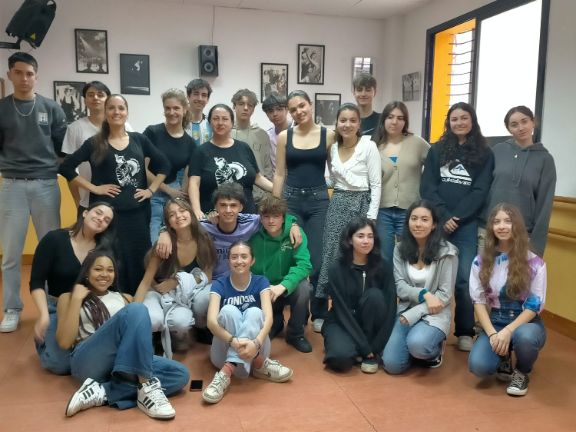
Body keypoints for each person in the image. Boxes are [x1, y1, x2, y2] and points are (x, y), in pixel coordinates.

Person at [56, 250, 189, 419]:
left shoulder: (124, 298)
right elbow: (64, 342)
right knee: (136, 309)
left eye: (110, 270)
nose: (104, 274)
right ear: (87, 273)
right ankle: (145, 385)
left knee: (179, 375)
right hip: (87, 361)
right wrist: (76, 300)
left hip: (121, 363)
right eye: (98, 269)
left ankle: (103, 391)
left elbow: (144, 285)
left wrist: (154, 264)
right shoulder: (67, 298)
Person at [59, 94, 171, 295]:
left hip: (137, 214)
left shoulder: (139, 139)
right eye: (111, 108)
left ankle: (138, 300)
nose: (116, 112)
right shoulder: (94, 142)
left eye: (121, 108)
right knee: (110, 259)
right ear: (105, 112)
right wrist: (94, 188)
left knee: (139, 257)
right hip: (107, 217)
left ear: (127, 112)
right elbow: (66, 167)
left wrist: (151, 190)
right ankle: (110, 300)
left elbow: (164, 165)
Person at [0, 52, 67, 333]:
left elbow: (62, 148)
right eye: (18, 73)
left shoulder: (51, 108)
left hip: (45, 185)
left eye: (29, 73)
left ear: (36, 76)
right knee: (12, 253)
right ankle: (12, 308)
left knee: (51, 248)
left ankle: (52, 305)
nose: (24, 78)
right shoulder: (2, 108)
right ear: (10, 75)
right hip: (12, 184)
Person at [420, 102, 494, 352]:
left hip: (466, 226)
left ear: (472, 121)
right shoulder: (437, 150)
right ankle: (429, 325)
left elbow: (480, 191)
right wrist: (444, 215)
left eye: (464, 118)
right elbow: (427, 187)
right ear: (448, 122)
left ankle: (463, 330)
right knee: (431, 278)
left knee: (464, 280)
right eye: (454, 119)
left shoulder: (485, 153)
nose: (459, 122)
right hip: (437, 223)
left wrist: (457, 218)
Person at [273, 90, 336, 333]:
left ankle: (319, 311)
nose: (299, 112)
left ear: (310, 105)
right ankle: (291, 311)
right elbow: (279, 174)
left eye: (302, 106)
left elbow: (336, 170)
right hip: (291, 200)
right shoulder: (284, 136)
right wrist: (275, 208)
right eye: (293, 109)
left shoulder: (328, 135)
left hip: (319, 200)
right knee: (291, 255)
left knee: (318, 260)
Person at [468, 203, 547, 396]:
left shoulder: (535, 263)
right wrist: (494, 334)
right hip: (495, 320)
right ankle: (502, 356)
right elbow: (478, 301)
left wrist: (508, 331)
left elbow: (534, 305)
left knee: (525, 338)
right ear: (491, 228)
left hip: (525, 322)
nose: (501, 226)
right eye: (496, 222)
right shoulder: (480, 261)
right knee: (478, 366)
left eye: (508, 221)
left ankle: (522, 371)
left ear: (517, 226)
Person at [202, 241, 293, 404]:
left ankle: (226, 372)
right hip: (223, 351)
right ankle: (259, 364)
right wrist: (234, 342)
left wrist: (256, 343)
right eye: (234, 257)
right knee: (228, 311)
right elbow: (211, 322)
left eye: (244, 256)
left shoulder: (261, 281)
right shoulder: (219, 284)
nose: (239, 261)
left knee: (255, 312)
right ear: (228, 261)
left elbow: (269, 318)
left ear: (252, 260)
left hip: (256, 346)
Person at [30, 202, 115, 375]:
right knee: (59, 365)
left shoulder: (104, 248)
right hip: (56, 305)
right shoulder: (54, 239)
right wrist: (44, 315)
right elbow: (36, 282)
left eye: (106, 220)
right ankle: (44, 342)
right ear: (84, 213)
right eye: (98, 213)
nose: (100, 219)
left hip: (89, 306)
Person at [382, 200, 458, 374]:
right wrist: (424, 293)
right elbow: (400, 286)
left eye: (424, 219)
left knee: (419, 345)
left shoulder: (448, 252)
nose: (418, 224)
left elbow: (445, 295)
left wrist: (416, 312)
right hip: (406, 311)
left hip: (435, 312)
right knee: (392, 365)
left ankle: (433, 351)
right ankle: (414, 349)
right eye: (414, 218)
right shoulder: (399, 249)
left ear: (434, 225)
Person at [316, 104, 381, 302]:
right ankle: (322, 303)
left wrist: (371, 217)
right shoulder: (333, 148)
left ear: (359, 124)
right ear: (336, 123)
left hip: (361, 203)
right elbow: (334, 179)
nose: (347, 124)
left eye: (353, 120)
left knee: (357, 254)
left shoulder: (369, 146)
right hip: (338, 203)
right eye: (343, 120)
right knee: (330, 253)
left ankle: (354, 300)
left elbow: (376, 184)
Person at [135, 197, 216, 355]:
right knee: (152, 319)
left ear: (191, 213)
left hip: (182, 295)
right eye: (172, 214)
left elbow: (208, 275)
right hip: (157, 292)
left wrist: (177, 281)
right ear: (168, 222)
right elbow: (146, 281)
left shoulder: (203, 238)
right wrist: (132, 312)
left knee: (182, 321)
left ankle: (185, 332)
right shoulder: (164, 244)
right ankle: (152, 336)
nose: (178, 216)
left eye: (182, 210)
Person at [322, 217, 396, 373]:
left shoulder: (384, 266)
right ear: (349, 240)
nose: (366, 241)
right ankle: (358, 349)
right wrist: (364, 346)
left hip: (371, 324)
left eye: (370, 236)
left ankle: (368, 353)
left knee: (375, 296)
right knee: (339, 360)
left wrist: (375, 347)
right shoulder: (336, 269)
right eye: (360, 236)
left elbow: (391, 308)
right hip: (342, 321)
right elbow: (341, 311)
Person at [482, 106, 556, 257]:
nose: (520, 128)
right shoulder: (498, 151)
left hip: (522, 235)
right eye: (514, 124)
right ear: (509, 129)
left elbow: (545, 205)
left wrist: (536, 246)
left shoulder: (545, 159)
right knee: (485, 277)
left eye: (524, 121)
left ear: (533, 122)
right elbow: (483, 187)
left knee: (516, 280)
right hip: (490, 230)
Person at [249, 195, 313, 353]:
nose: (271, 221)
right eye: (266, 216)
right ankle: (275, 323)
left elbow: (304, 265)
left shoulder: (296, 234)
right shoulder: (253, 236)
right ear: (260, 218)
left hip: (287, 286)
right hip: (265, 288)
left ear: (284, 218)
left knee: (305, 288)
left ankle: (295, 333)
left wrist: (284, 285)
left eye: (276, 216)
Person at [188, 103, 273, 218]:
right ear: (210, 123)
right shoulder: (200, 151)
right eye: (216, 118)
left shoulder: (244, 148)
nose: (220, 123)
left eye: (225, 119)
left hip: (246, 217)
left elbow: (257, 178)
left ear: (232, 123)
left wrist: (278, 189)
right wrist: (197, 210)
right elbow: (194, 183)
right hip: (213, 218)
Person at [373, 101, 430, 262]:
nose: (395, 122)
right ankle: (388, 287)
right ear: (384, 119)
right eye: (390, 117)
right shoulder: (375, 146)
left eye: (400, 118)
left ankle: (407, 287)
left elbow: (435, 165)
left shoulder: (417, 143)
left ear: (405, 122)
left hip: (410, 210)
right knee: (385, 256)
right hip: (383, 210)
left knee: (409, 254)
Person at [144, 89, 197, 243]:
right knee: (155, 239)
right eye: (167, 108)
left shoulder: (190, 143)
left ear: (185, 110)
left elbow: (188, 174)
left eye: (176, 108)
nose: (171, 112)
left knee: (175, 239)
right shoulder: (152, 132)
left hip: (175, 191)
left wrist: (181, 195)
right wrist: (168, 190)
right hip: (151, 190)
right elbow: (143, 168)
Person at [62, 81, 112, 215]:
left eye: (100, 94)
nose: (95, 97)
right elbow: (68, 168)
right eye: (90, 95)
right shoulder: (75, 128)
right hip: (87, 198)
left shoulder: (121, 126)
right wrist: (77, 198)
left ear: (108, 99)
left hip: (117, 197)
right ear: (85, 100)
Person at [231, 89, 274, 202]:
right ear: (234, 106)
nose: (245, 108)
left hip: (259, 195)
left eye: (249, 105)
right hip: (231, 195)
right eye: (241, 104)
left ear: (253, 109)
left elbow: (267, 165)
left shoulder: (262, 134)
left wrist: (268, 192)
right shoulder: (226, 133)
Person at [262, 94, 292, 171]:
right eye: (270, 111)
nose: (275, 114)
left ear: (287, 110)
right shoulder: (268, 135)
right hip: (275, 179)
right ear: (267, 114)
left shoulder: (297, 131)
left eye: (279, 109)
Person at [185, 78, 212, 144]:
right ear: (188, 96)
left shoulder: (211, 123)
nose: (200, 99)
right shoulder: (179, 122)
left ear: (207, 99)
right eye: (196, 94)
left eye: (204, 95)